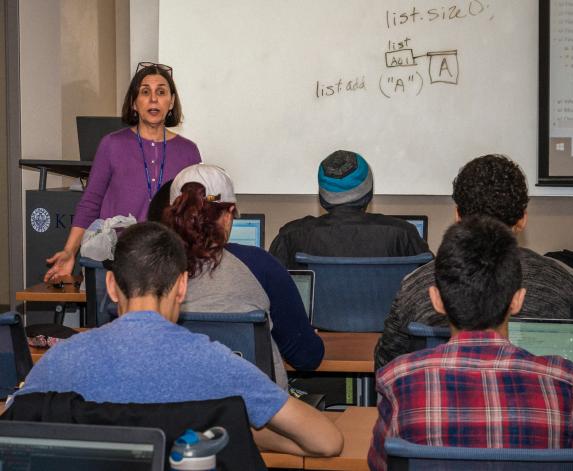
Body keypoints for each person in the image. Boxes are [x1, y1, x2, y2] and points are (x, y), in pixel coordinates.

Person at [16, 222, 343, 457]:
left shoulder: (62, 360)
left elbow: (16, 425)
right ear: (182, 286)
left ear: (112, 286)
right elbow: (326, 441)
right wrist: (245, 434)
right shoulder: (217, 363)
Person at [368, 216, 573, 470]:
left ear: (436, 300)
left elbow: (380, 463)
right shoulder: (566, 382)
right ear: (518, 299)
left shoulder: (398, 380)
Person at [374, 154, 573, 370]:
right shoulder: (565, 282)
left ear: (458, 215)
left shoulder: (416, 284)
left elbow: (387, 363)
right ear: (522, 219)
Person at [163, 164, 324, 387]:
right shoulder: (260, 265)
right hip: (253, 413)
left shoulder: (152, 267)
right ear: (229, 215)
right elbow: (307, 357)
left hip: (175, 405)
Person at [44, 62, 201, 283]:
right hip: (118, 263)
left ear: (171, 102)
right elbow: (90, 202)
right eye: (145, 92)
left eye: (161, 92)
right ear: (134, 103)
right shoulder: (112, 145)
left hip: (169, 263)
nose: (153, 99)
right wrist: (70, 251)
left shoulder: (188, 151)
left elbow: (197, 213)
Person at [269, 150, 430, 269]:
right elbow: (434, 293)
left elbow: (274, 296)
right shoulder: (403, 234)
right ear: (368, 193)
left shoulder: (290, 237)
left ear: (323, 198)